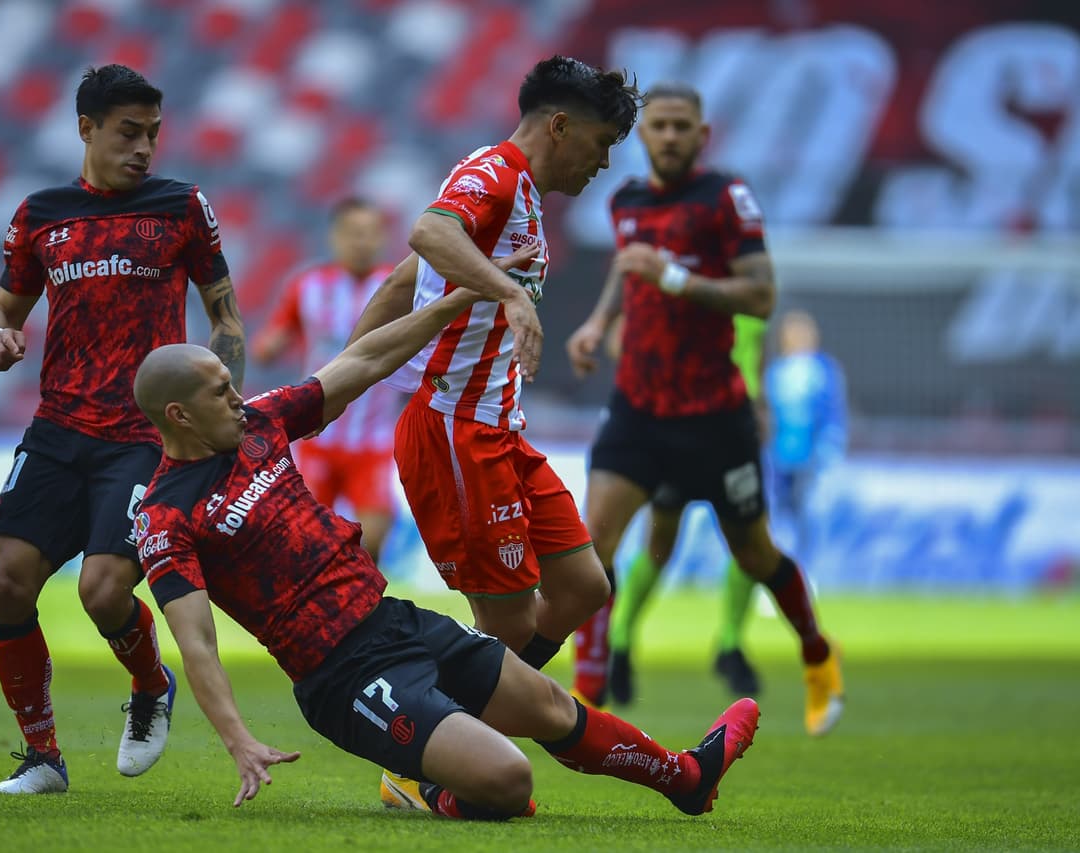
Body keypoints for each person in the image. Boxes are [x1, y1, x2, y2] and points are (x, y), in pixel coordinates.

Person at [130, 263, 760, 820]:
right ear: (179, 416)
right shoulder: (163, 516)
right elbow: (197, 640)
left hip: (395, 623)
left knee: (550, 707)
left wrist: (457, 297)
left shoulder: (259, 424)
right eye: (221, 391)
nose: (238, 397)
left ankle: (687, 778)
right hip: (344, 678)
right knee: (510, 780)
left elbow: (364, 362)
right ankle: (429, 788)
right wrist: (239, 738)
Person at [0, 64, 246, 794]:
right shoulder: (42, 214)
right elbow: (4, 311)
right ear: (86, 128)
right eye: (129, 132)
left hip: (142, 434)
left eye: (154, 134)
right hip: (59, 425)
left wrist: (226, 411)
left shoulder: (181, 206)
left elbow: (224, 316)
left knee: (102, 591)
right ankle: (42, 756)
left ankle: (150, 682)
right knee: (8, 583)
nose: (144, 148)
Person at [348, 56, 642, 685]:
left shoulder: (525, 197)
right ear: (560, 126)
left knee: (585, 587)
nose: (604, 163)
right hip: (457, 433)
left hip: (498, 432)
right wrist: (509, 296)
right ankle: (426, 763)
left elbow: (406, 281)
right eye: (601, 143)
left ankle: (464, 729)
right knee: (505, 626)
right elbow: (429, 233)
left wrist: (349, 367)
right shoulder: (495, 174)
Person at [564, 82, 844, 736]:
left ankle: (816, 651)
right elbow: (629, 268)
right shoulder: (626, 202)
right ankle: (589, 688)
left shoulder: (726, 199)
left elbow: (763, 296)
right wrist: (598, 321)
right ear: (644, 135)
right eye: (657, 126)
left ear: (701, 135)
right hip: (638, 407)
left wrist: (678, 279)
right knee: (591, 541)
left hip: (716, 416)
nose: (667, 136)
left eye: (680, 126)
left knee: (753, 553)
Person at [587, 314, 770, 704]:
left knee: (751, 543)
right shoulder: (681, 278)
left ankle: (731, 644)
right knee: (661, 542)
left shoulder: (749, 287)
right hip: (679, 423)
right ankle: (619, 641)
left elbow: (756, 358)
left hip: (736, 430)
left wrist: (763, 408)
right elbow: (622, 340)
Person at [252, 198, 401, 563]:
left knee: (372, 543)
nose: (361, 242)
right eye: (353, 234)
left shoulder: (397, 288)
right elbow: (274, 339)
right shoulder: (308, 286)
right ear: (335, 237)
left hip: (374, 443)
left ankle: (362, 608)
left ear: (382, 238)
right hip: (317, 437)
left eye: (369, 234)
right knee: (308, 543)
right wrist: (265, 348)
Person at [764, 309, 848, 565]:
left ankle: (804, 573)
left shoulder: (823, 371)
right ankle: (774, 573)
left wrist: (829, 448)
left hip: (810, 458)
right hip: (777, 458)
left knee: (807, 516)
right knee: (774, 518)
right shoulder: (775, 372)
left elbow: (834, 413)